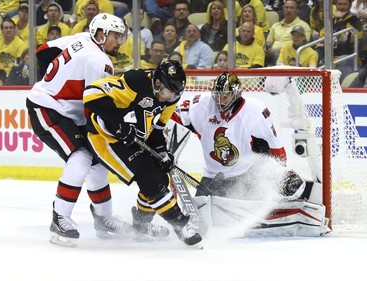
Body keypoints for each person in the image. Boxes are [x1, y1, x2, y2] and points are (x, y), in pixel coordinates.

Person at [26, 13, 133, 247]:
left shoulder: (82, 38)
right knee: (82, 156)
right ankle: (60, 218)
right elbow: (95, 105)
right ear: (101, 34)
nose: (119, 42)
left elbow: (43, 50)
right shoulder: (100, 62)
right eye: (116, 36)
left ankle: (103, 218)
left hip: (58, 107)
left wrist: (50, 80)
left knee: (96, 161)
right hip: (47, 108)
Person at [83, 60, 202, 246]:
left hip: (133, 139)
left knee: (160, 176)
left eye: (174, 95)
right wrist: (119, 122)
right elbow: (90, 94)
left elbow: (156, 130)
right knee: (149, 177)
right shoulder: (136, 81)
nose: (168, 99)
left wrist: (163, 153)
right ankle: (180, 224)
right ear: (157, 83)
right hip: (104, 138)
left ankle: (141, 225)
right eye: (167, 92)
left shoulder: (171, 98)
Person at [171, 71, 305, 200]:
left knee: (243, 216)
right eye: (217, 95)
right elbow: (172, 117)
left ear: (236, 94)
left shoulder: (254, 111)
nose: (220, 101)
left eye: (225, 96)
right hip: (212, 175)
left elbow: (273, 145)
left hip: (246, 175)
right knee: (201, 215)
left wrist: (280, 174)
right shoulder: (202, 104)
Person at [265, 0, 311, 66]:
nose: (289, 10)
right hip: (272, 55)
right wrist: (267, 50)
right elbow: (268, 42)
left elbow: (303, 45)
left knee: (277, 53)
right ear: (283, 9)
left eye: (292, 8)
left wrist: (278, 49)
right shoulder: (275, 25)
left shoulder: (304, 26)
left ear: (297, 10)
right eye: (286, 7)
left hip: (292, 56)